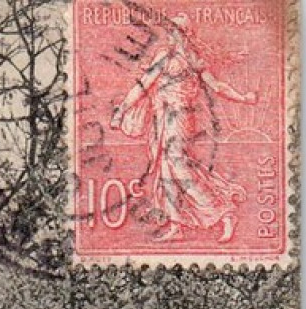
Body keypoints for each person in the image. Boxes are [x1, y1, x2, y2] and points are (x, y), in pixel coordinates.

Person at [108, 13, 258, 243]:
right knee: (166, 170)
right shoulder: (165, 56)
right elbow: (143, 86)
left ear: (185, 33)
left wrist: (243, 98)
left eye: (176, 30)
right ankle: (176, 224)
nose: (172, 34)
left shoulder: (191, 58)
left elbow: (216, 86)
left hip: (180, 117)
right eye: (171, 30)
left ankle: (223, 212)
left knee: (177, 165)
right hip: (162, 118)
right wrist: (122, 110)